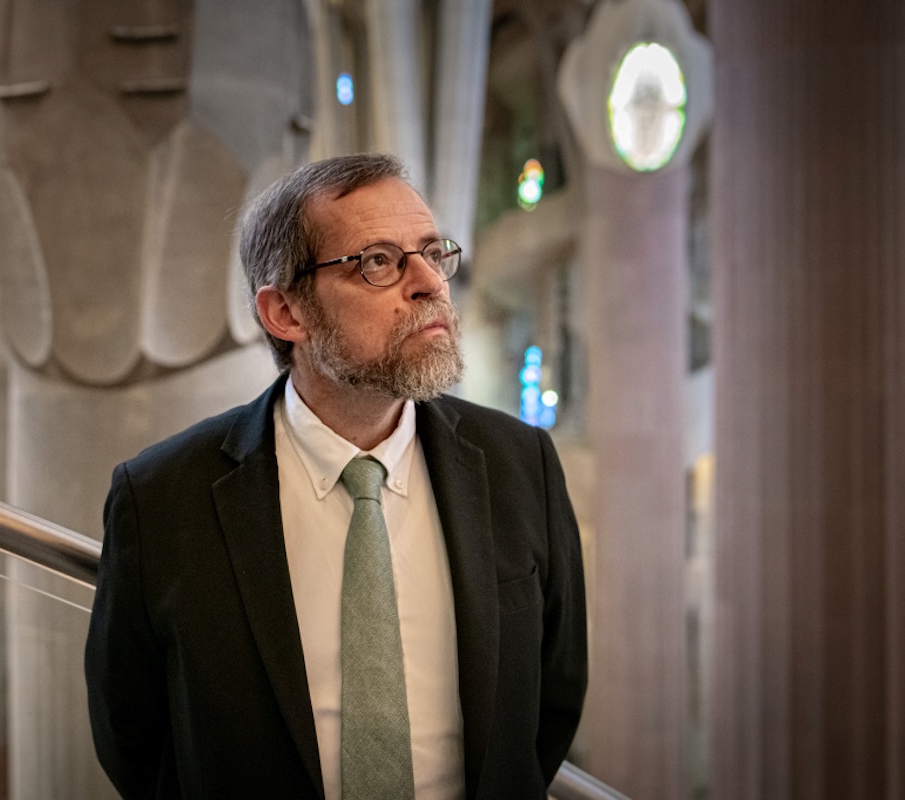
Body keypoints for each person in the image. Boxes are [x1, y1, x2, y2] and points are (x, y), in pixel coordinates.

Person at [85, 153, 587, 799]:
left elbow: (550, 703)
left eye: (432, 252)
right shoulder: (161, 497)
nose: (429, 282)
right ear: (286, 314)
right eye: (378, 261)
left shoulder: (520, 463)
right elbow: (134, 735)